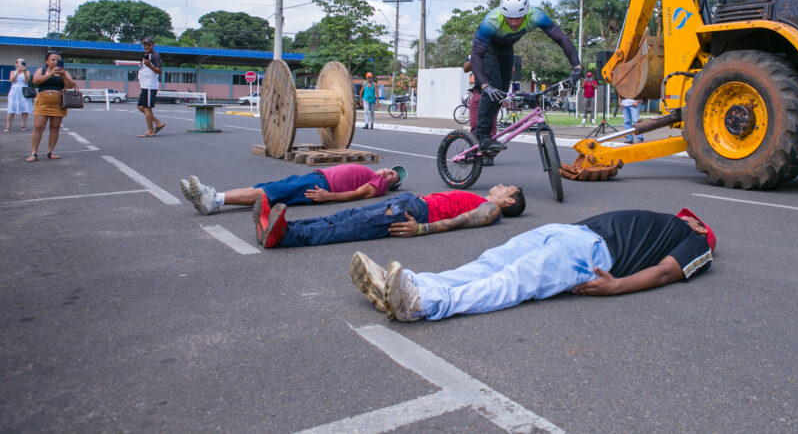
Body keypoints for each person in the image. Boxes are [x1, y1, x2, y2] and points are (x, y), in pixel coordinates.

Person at [352, 207, 715, 322]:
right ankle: (408, 283)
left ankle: (423, 304)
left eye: (696, 220)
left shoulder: (699, 242)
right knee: (488, 263)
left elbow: (668, 271)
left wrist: (617, 286)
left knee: (514, 281)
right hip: (570, 232)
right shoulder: (672, 220)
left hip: (594, 253)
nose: (690, 218)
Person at [254, 183, 526, 256]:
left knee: (350, 226)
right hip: (411, 203)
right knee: (344, 215)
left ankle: (286, 237)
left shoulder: (492, 210)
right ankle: (283, 228)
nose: (501, 185)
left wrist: (422, 229)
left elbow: (464, 220)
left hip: (412, 214)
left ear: (509, 200)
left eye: (507, 188)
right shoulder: (484, 200)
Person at [470, 0, 581, 153]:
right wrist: (485, 84)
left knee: (501, 92)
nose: (514, 23)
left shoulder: (536, 16)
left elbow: (561, 39)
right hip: (488, 48)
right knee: (492, 86)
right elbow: (475, 55)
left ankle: (487, 136)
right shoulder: (491, 21)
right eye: (509, 19)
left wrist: (576, 66)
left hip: (506, 48)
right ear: (502, 13)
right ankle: (482, 135)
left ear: (526, 12)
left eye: (518, 18)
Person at [180, 163, 408, 216]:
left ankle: (213, 199)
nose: (388, 173)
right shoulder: (372, 172)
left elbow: (358, 194)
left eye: (392, 177)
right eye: (389, 170)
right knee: (268, 188)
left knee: (271, 193)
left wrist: (329, 196)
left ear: (390, 184)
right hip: (315, 177)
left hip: (320, 186)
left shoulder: (377, 184)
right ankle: (212, 197)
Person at [27, 50, 77, 161]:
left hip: (58, 102)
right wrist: (49, 74)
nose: (55, 62)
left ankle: (50, 152)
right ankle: (34, 153)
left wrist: (63, 75)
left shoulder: (65, 72)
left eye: (58, 60)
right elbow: (35, 81)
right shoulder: (42, 70)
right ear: (47, 61)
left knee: (55, 128)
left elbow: (70, 85)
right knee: (38, 127)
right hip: (43, 101)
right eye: (53, 59)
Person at [136, 36, 165, 137]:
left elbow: (159, 70)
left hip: (149, 86)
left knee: (147, 108)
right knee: (140, 106)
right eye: (145, 45)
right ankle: (158, 123)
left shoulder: (155, 55)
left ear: (153, 45)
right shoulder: (146, 55)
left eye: (148, 44)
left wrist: (149, 66)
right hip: (144, 86)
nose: (146, 46)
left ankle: (151, 131)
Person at [6, 58, 32, 132]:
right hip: (14, 91)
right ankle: (8, 126)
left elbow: (27, 80)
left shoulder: (27, 72)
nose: (20, 63)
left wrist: (23, 71)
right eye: (19, 62)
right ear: (16, 64)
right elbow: (11, 80)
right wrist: (18, 72)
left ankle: (23, 126)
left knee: (25, 108)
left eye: (22, 62)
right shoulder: (13, 72)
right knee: (11, 108)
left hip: (24, 90)